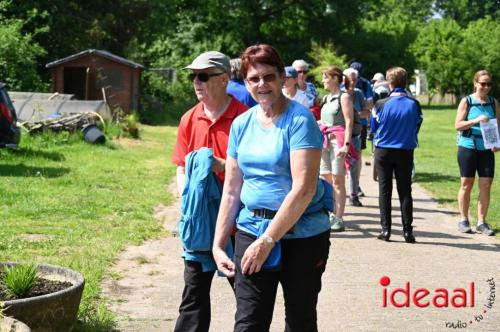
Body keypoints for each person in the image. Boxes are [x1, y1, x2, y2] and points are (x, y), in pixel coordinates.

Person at [212, 44, 331, 331]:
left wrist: (268, 241)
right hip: (250, 230)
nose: (262, 84)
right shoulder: (241, 125)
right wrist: (217, 245)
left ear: (281, 77)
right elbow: (231, 189)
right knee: (249, 322)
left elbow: (303, 189)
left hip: (302, 237)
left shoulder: (300, 120)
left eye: (268, 77)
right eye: (254, 79)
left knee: (300, 321)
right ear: (245, 82)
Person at [171, 50, 248, 332]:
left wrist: (221, 165)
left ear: (225, 79)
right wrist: (187, 202)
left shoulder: (246, 118)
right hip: (201, 220)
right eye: (193, 76)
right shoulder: (188, 119)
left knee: (248, 297)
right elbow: (181, 168)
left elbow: (257, 173)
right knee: (193, 296)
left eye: (203, 76)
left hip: (237, 222)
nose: (196, 82)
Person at [371, 67, 423, 243]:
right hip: (405, 150)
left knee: (384, 190)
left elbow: (373, 128)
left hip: (383, 150)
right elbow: (417, 125)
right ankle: (408, 231)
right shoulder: (414, 104)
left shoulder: (380, 104)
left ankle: (386, 230)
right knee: (405, 190)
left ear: (389, 82)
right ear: (406, 82)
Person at [455, 69, 499, 236]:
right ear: (475, 84)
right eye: (483, 84)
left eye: (489, 84)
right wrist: (475, 120)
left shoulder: (493, 103)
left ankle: (482, 222)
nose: (486, 87)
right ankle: (464, 219)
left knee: (486, 184)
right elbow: (457, 125)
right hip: (467, 147)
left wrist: (497, 143)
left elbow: (497, 127)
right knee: (467, 184)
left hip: (487, 149)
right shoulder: (467, 101)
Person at [319, 66, 357, 232]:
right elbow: (323, 120)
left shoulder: (344, 97)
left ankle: (339, 217)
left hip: (338, 142)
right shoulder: (326, 98)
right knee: (325, 178)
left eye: (325, 77)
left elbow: (349, 122)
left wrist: (346, 145)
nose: (323, 81)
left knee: (338, 180)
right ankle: (329, 213)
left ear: (335, 78)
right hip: (324, 141)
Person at [343, 67, 367, 207]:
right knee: (338, 169)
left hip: (355, 135)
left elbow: (366, 112)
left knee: (355, 167)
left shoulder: (358, 94)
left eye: (354, 79)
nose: (352, 82)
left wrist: (356, 114)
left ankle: (353, 195)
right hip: (341, 136)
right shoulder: (339, 94)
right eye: (349, 79)